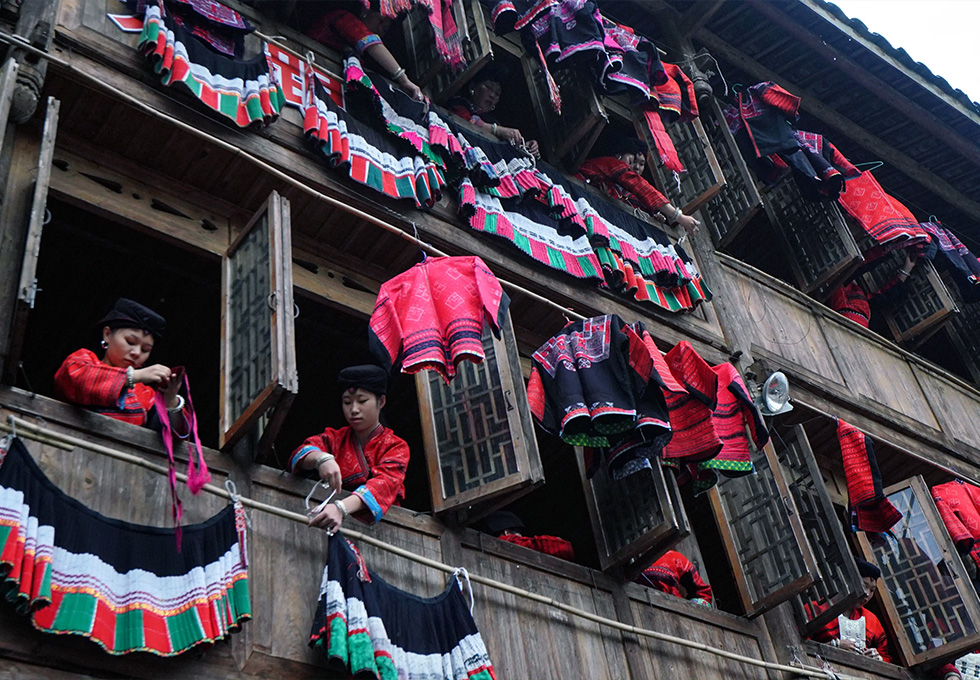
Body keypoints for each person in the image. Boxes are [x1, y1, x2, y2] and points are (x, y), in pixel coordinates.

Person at [290, 365, 410, 533]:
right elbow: (301, 452)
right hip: (328, 523)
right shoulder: (334, 438)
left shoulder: (395, 446)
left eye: (362, 401)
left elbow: (384, 484)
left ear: (380, 401)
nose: (354, 409)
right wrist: (321, 459)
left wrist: (341, 508)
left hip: (381, 531)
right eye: (347, 402)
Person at [54, 298, 188, 432]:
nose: (136, 353)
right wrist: (134, 376)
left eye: (145, 350)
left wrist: (170, 401)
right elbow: (79, 381)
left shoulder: (145, 394)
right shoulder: (81, 360)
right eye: (130, 342)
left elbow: (172, 435)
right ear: (107, 334)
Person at [575, 136, 701, 235]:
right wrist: (678, 216)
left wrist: (653, 216)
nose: (635, 167)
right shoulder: (611, 163)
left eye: (641, 164)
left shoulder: (624, 190)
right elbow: (643, 189)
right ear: (618, 156)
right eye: (631, 161)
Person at [304, 4, 423, 101]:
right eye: (380, 21)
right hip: (308, 66)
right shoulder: (343, 17)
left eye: (385, 30)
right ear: (366, 11)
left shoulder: (361, 55)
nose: (380, 29)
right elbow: (368, 41)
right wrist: (403, 79)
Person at [446, 62, 540, 158]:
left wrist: (524, 146)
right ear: (472, 87)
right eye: (488, 87)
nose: (492, 95)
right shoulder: (458, 103)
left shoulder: (493, 121)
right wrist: (497, 130)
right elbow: (467, 121)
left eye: (497, 93)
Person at [811, 557, 893, 663]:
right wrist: (834, 645)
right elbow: (800, 644)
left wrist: (878, 658)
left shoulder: (872, 621)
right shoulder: (815, 609)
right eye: (864, 585)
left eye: (872, 590)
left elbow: (886, 657)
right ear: (846, 580)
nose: (867, 594)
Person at [829, 250, 919, 329]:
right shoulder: (839, 282)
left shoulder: (841, 283)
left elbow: (885, 296)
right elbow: (885, 297)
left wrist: (906, 269)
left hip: (851, 319)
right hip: (852, 320)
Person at [475, 510, 575, 560]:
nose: (522, 538)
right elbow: (565, 548)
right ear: (507, 532)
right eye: (520, 535)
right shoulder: (510, 541)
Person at [634, 550, 712, 607]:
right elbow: (703, 593)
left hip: (640, 594)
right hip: (668, 600)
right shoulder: (675, 557)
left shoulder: (674, 557)